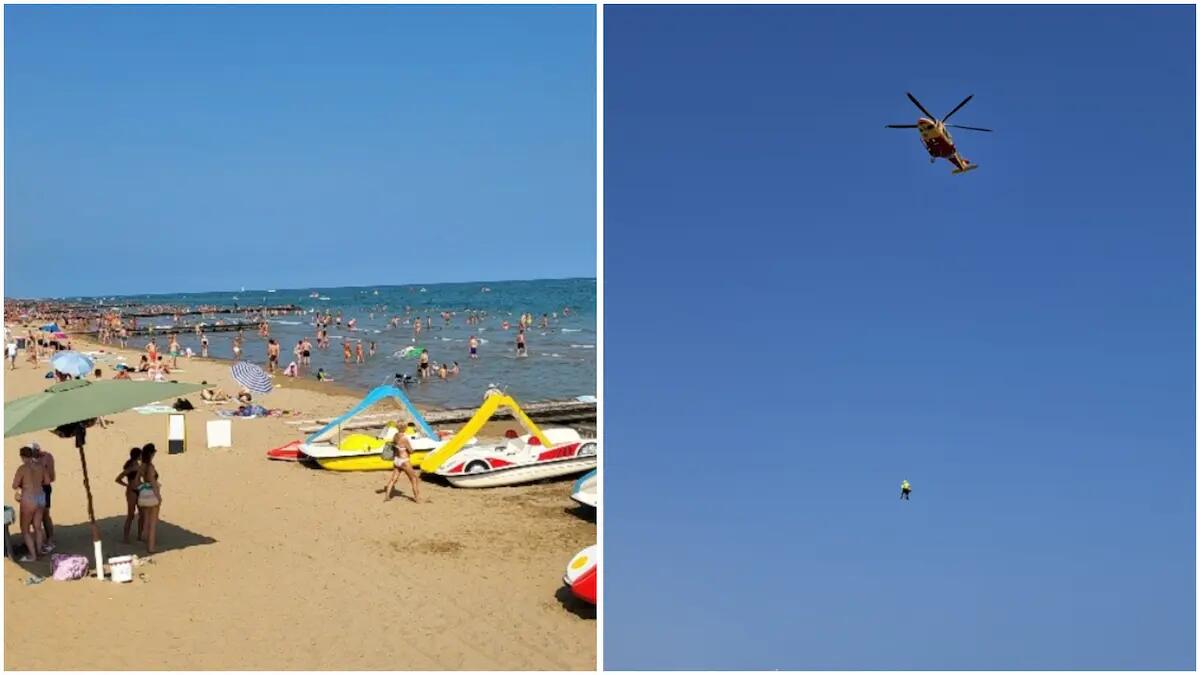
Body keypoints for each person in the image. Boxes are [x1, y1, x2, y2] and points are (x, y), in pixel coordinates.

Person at [12, 446, 48, 561]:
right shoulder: (41, 466)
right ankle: (39, 550)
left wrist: (24, 484)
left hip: (29, 498)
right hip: (40, 497)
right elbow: (47, 481)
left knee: (25, 529)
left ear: (22, 457)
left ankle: (33, 556)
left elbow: (14, 485)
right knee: (38, 527)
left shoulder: (22, 468)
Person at [381, 431, 422, 503]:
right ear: (405, 428)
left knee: (393, 479)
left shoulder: (395, 436)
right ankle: (417, 499)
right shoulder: (404, 439)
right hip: (404, 461)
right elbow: (411, 451)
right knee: (414, 479)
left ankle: (387, 496)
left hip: (397, 460)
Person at [136, 444, 162, 554]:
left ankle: (145, 539)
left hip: (144, 494)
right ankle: (150, 547)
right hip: (152, 495)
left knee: (146, 520)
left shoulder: (142, 466)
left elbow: (137, 480)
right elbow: (153, 483)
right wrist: (159, 497)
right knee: (152, 523)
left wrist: (143, 487)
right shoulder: (151, 467)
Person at [115, 448, 142, 543]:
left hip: (139, 490)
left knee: (142, 514)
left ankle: (140, 536)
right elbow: (118, 478)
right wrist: (127, 485)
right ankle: (126, 538)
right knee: (131, 515)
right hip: (132, 491)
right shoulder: (131, 467)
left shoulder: (138, 466)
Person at [32, 442, 55, 552]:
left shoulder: (47, 457)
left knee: (45, 515)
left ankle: (49, 539)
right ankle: (40, 541)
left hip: (44, 488)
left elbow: (52, 477)